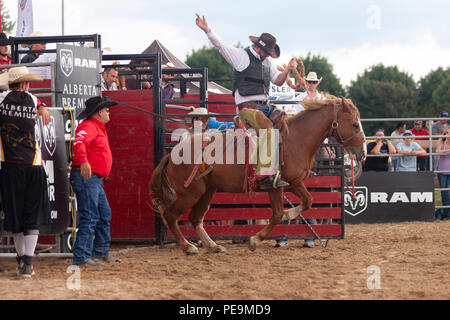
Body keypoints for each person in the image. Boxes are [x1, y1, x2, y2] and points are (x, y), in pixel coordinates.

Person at [195, 14, 298, 190]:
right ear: (259, 48)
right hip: (246, 109)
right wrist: (208, 31)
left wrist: (288, 69)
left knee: (286, 124)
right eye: (267, 52)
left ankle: (285, 168)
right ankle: (263, 175)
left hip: (264, 107)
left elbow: (279, 81)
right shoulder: (241, 56)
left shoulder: (266, 64)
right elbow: (221, 45)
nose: (268, 56)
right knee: (266, 126)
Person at [0, 66, 52, 277]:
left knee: (15, 215)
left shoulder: (1, 100)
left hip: (10, 165)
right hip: (33, 164)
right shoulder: (32, 100)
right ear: (24, 84)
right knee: (31, 214)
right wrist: (43, 107)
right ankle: (27, 263)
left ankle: (22, 258)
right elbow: (40, 103)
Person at [70, 96, 119, 266]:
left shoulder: (94, 126)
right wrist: (83, 161)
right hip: (88, 177)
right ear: (99, 112)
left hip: (94, 178)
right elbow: (79, 143)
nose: (108, 112)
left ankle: (99, 252)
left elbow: (80, 143)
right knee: (91, 216)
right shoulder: (89, 126)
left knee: (102, 215)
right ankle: (83, 256)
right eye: (106, 109)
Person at [435, 127, 450, 220]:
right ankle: (446, 212)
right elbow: (437, 151)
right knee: (444, 192)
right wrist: (448, 151)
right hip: (442, 171)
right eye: (447, 132)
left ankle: (448, 212)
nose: (448, 134)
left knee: (448, 192)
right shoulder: (442, 142)